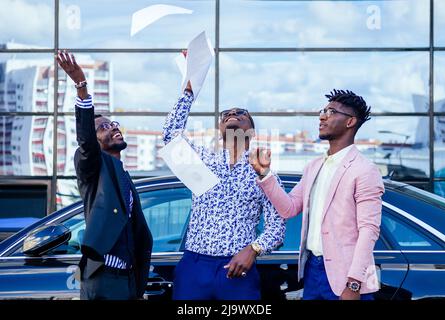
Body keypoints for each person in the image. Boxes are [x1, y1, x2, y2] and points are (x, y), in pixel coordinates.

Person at [250, 89, 384, 300]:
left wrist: (354, 284)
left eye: (331, 112)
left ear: (350, 122)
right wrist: (265, 174)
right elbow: (289, 208)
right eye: (323, 111)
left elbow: (369, 231)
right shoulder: (314, 166)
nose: (322, 116)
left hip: (346, 277)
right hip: (313, 270)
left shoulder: (365, 170)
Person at [163, 78, 286, 301]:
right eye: (226, 114)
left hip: (238, 268)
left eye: (242, 114)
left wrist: (253, 249)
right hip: (194, 266)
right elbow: (171, 136)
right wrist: (189, 90)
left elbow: (277, 227)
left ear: (252, 131)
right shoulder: (201, 160)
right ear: (220, 129)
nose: (232, 113)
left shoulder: (264, 172)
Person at [56, 50, 153, 300]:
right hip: (103, 280)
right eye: (104, 127)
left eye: (114, 124)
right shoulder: (92, 168)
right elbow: (86, 141)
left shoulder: (124, 175)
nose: (113, 127)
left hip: (129, 281)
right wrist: (81, 86)